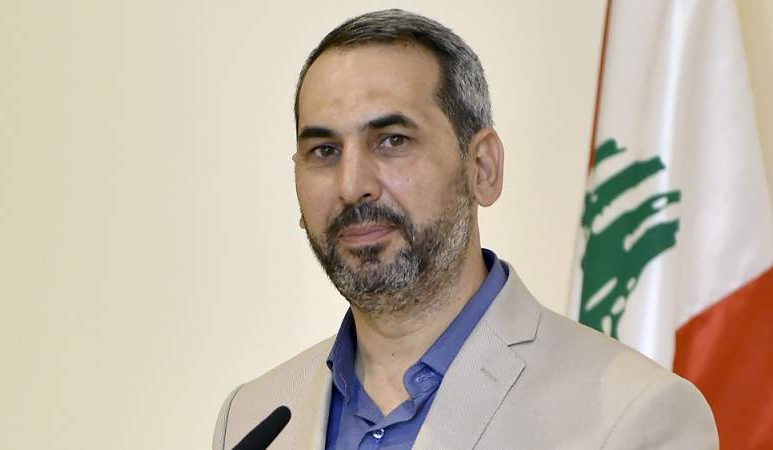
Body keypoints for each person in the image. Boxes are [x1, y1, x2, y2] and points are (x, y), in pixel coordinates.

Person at [213, 9, 718, 450]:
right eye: (324, 151)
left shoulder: (632, 415)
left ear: (482, 168)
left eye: (392, 140)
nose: (352, 185)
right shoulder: (252, 415)